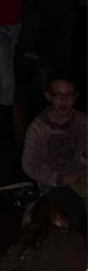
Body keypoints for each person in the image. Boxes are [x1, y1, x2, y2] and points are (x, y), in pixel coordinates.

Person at [22, 72, 86, 226]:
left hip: (81, 175)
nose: (64, 100)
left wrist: (84, 158)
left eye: (69, 95)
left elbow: (83, 156)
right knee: (72, 210)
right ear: (48, 96)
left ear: (76, 96)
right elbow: (29, 165)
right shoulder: (37, 128)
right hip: (52, 181)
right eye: (58, 95)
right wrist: (60, 178)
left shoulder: (83, 122)